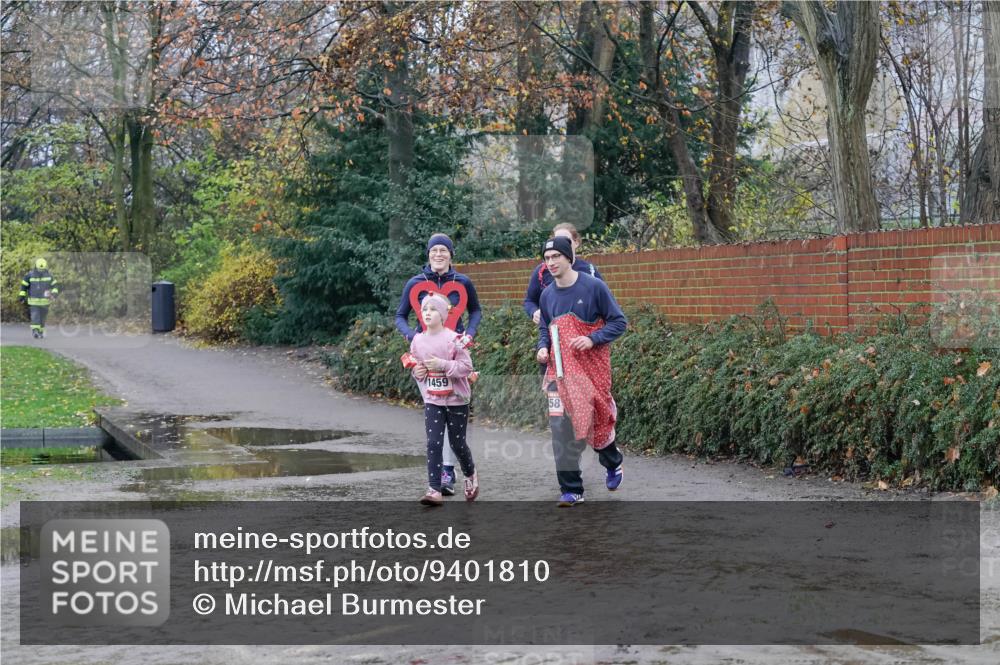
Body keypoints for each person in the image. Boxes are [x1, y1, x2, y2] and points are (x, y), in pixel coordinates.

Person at [535, 236, 627, 506]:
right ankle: (571, 489)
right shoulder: (547, 294)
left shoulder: (594, 287)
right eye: (547, 258)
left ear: (569, 257)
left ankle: (613, 461)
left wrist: (592, 338)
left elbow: (619, 322)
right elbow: (545, 329)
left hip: (591, 371)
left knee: (596, 424)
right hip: (558, 373)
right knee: (560, 430)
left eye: (556, 257)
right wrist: (543, 347)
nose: (551, 262)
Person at [395, 233, 481, 495]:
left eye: (444, 250)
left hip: (454, 354)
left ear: (451, 254)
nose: (438, 255)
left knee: (454, 424)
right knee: (434, 409)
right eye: (434, 250)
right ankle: (441, 477)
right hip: (425, 353)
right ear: (428, 254)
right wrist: (413, 337)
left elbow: (476, 311)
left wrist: (470, 335)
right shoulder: (415, 283)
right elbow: (400, 315)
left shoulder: (462, 282)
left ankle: (453, 470)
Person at [405, 293, 479, 506]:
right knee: (434, 443)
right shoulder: (418, 340)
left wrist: (444, 365)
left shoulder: (454, 340)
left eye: (433, 309)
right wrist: (418, 372)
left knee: (457, 443)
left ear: (444, 314)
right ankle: (434, 489)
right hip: (433, 400)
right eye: (425, 309)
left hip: (457, 399)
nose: (428, 313)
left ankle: (470, 474)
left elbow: (466, 368)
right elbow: (417, 368)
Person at [523, 223, 603, 326]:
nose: (562, 243)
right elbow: (529, 300)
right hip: (553, 333)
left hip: (586, 334)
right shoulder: (543, 271)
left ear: (576, 242)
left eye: (567, 240)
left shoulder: (589, 271)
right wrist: (534, 312)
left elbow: (606, 307)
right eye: (558, 240)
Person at [18, 258, 59, 339]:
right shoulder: (29, 275)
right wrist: (22, 296)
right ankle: (35, 331)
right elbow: (23, 287)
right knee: (35, 316)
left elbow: (55, 286)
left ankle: (40, 332)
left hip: (45, 302)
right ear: (36, 267)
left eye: (42, 269)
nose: (41, 271)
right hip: (34, 302)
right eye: (39, 269)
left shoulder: (49, 276)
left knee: (42, 318)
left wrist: (54, 294)